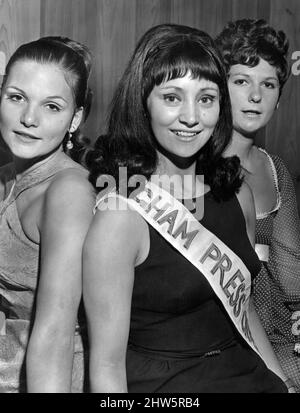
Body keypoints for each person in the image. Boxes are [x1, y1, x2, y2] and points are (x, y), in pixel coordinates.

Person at [83, 23, 289, 393]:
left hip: (246, 375)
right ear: (143, 102)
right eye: (173, 97)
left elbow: (244, 309)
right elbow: (106, 367)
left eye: (206, 99)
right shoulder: (121, 215)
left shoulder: (235, 191)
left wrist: (284, 384)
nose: (192, 117)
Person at [0, 36, 94, 392]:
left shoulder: (67, 192)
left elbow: (55, 333)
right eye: (16, 97)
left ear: (75, 118)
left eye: (52, 107)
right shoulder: (7, 176)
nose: (28, 118)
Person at [215, 18, 300, 392]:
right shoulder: (192, 170)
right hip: (221, 336)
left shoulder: (275, 169)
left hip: (277, 327)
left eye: (268, 85)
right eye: (241, 81)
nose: (255, 96)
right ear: (217, 89)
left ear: (279, 98)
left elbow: (289, 265)